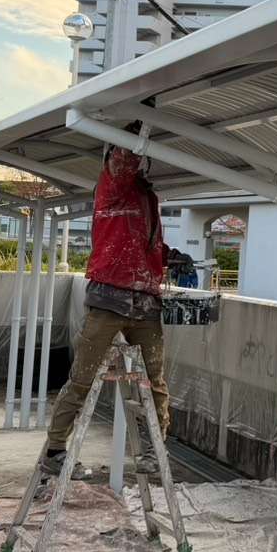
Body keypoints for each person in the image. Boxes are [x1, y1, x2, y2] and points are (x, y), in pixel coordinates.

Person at [41, 126, 170, 477]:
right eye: (127, 155)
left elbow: (140, 241)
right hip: (109, 297)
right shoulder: (113, 186)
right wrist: (141, 120)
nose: (134, 161)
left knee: (153, 382)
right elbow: (123, 161)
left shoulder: (146, 196)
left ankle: (153, 450)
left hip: (145, 301)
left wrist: (168, 256)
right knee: (82, 377)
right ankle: (54, 449)